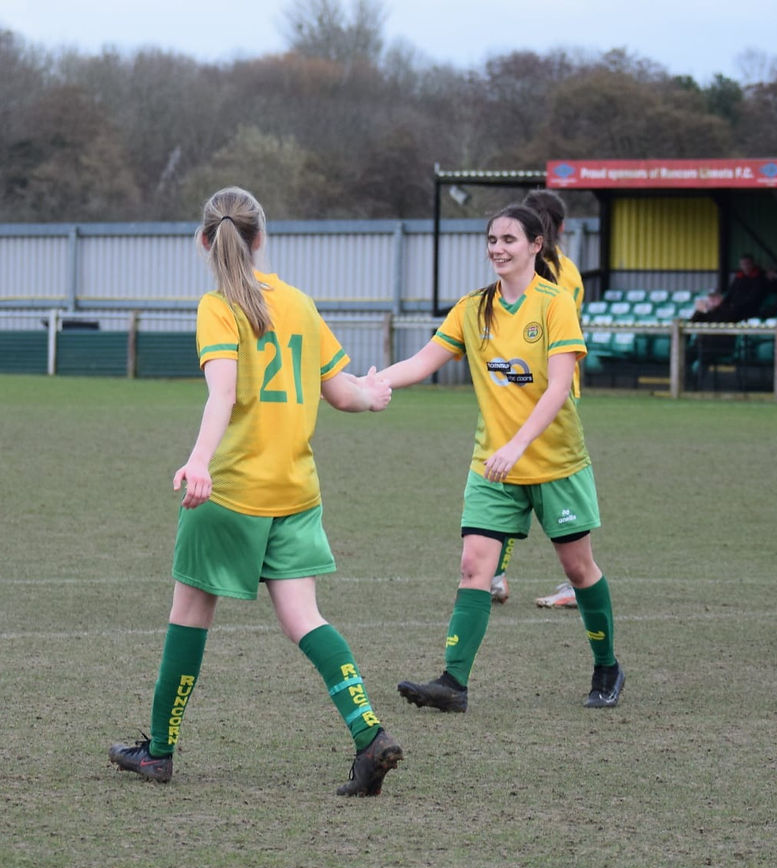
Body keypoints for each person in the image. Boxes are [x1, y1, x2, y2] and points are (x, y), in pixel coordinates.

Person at [108, 186, 403, 796]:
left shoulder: (217, 308)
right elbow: (342, 391)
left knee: (188, 617)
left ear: (204, 241)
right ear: (262, 238)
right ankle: (369, 734)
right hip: (295, 491)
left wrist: (197, 462)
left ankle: (158, 752)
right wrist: (371, 396)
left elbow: (222, 394)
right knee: (305, 619)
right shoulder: (297, 302)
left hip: (232, 492)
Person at [377, 203, 624, 711]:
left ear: (536, 244)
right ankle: (453, 683)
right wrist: (369, 382)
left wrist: (518, 445)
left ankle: (607, 667)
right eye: (492, 240)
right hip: (492, 465)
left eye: (509, 239)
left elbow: (559, 389)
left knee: (579, 571)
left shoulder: (554, 304)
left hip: (555, 462)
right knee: (475, 566)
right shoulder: (473, 307)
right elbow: (424, 361)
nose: (498, 249)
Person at [490, 188, 585, 611]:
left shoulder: (549, 280)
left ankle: (503, 573)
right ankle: (501, 572)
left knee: (524, 484)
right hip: (553, 390)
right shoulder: (570, 272)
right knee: (518, 484)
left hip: (542, 393)